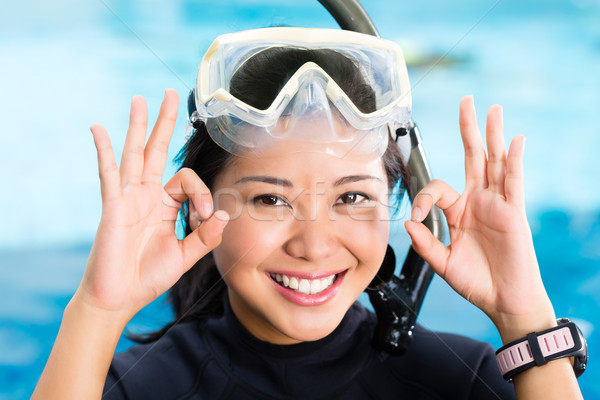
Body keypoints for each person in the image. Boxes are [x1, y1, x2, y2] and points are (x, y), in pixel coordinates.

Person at [32, 27, 584, 399]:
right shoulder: (136, 387)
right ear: (202, 209)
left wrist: (525, 319)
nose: (315, 245)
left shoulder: (466, 380)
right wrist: (97, 312)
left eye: (351, 198)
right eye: (270, 200)